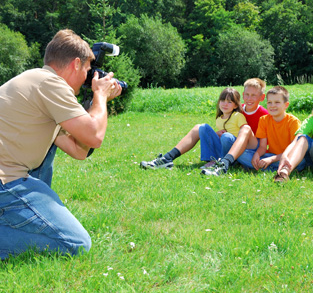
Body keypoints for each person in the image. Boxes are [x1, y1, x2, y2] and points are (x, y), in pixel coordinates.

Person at [0, 29, 121, 260]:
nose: (88, 77)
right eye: (87, 69)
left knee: (49, 150)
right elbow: (95, 136)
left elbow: (79, 150)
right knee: (76, 244)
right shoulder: (50, 84)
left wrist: (92, 104)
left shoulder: (36, 81)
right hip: (5, 182)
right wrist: (101, 98)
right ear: (76, 64)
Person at [140, 87, 250, 169]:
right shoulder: (219, 119)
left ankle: (226, 163)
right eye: (222, 101)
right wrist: (217, 135)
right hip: (222, 150)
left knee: (226, 137)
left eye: (229, 102)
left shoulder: (238, 116)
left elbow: (244, 136)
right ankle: (168, 158)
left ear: (236, 105)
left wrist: (228, 136)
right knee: (202, 127)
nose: (225, 104)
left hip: (234, 153)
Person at [200, 78, 268, 176]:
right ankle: (221, 160)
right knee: (223, 135)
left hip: (252, 147)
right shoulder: (237, 110)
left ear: (262, 97)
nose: (249, 98)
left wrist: (257, 155)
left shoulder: (265, 115)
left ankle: (226, 161)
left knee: (245, 128)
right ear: (243, 95)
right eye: (247, 95)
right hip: (235, 143)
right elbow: (229, 127)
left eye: (254, 95)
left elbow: (264, 143)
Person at [230, 86, 303, 173]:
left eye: (277, 102)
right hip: (271, 155)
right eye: (269, 102)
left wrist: (271, 160)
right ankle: (275, 169)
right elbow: (263, 147)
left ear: (286, 105)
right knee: (241, 155)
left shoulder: (293, 122)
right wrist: (257, 155)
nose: (273, 106)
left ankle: (268, 168)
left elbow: (294, 150)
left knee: (300, 162)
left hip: (289, 156)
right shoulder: (264, 120)